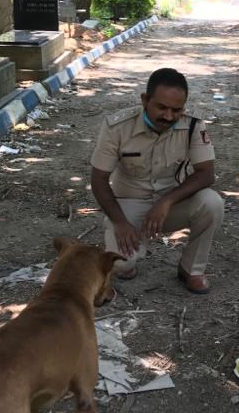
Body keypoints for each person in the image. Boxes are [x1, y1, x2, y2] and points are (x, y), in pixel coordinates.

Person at [90, 68, 224, 294]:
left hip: (171, 205)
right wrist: (120, 223)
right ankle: (126, 251)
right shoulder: (117, 127)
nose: (169, 117)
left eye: (176, 110)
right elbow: (99, 180)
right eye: (161, 107)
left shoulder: (193, 125)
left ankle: (191, 269)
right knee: (121, 266)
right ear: (145, 100)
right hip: (130, 207)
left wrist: (166, 202)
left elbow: (206, 174)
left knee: (212, 203)